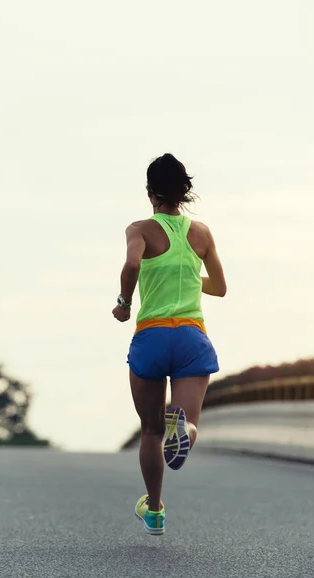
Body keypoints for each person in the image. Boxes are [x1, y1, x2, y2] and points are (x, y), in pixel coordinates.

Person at [112, 153, 227, 535]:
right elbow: (221, 288)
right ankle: (186, 435)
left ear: (150, 193)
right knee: (188, 421)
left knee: (150, 429)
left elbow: (131, 266)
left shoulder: (140, 229)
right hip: (192, 337)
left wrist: (125, 303)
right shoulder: (202, 233)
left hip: (152, 335)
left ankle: (156, 510)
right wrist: (192, 279)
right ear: (184, 191)